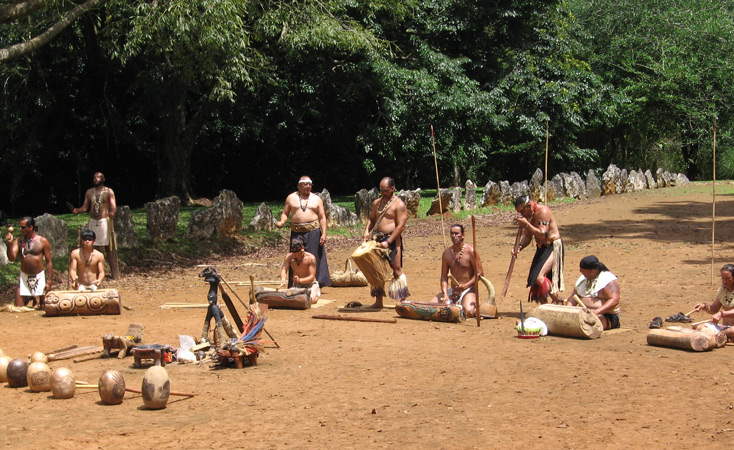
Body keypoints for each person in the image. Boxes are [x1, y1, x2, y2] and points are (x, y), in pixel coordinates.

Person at [275, 176, 331, 287]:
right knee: (295, 255)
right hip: (296, 232)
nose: (308, 186)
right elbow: (285, 213)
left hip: (313, 231)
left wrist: (324, 234)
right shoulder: (291, 198)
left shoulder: (317, 199)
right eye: (305, 184)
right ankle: (295, 282)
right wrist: (282, 222)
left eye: (310, 184)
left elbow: (322, 217)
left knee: (313, 256)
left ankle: (314, 282)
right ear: (299, 185)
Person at [362, 177, 409, 308]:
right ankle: (378, 301)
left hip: (392, 240)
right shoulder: (376, 203)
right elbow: (372, 219)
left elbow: (400, 226)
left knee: (397, 270)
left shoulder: (399, 205)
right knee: (376, 270)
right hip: (377, 239)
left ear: (393, 188)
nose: (383, 193)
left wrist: (389, 241)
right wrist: (366, 231)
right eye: (381, 190)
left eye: (386, 190)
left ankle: (402, 301)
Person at [511, 195, 564, 304]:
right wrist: (520, 246)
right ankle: (545, 307)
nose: (522, 214)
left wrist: (527, 224)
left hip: (553, 246)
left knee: (539, 277)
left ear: (528, 206)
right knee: (534, 280)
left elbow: (543, 234)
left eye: (522, 211)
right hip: (541, 248)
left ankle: (559, 300)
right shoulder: (529, 216)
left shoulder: (543, 212)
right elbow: (528, 236)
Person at [426, 224, 484, 318]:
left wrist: (466, 285)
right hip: (453, 290)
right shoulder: (447, 253)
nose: (454, 236)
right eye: (452, 234)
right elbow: (444, 276)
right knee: (430, 307)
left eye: (457, 233)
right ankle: (455, 304)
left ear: (463, 235)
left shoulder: (471, 251)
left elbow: (480, 273)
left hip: (469, 289)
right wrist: (445, 294)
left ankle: (472, 304)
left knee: (468, 312)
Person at [71, 172, 120, 279]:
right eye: (94, 177)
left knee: (109, 248)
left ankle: (115, 275)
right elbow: (85, 207)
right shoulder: (89, 192)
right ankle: (95, 274)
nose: (95, 179)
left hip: (104, 222)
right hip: (93, 222)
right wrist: (77, 210)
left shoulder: (109, 191)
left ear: (103, 179)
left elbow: (113, 205)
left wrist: (112, 212)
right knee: (94, 247)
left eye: (98, 177)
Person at [5, 217, 53, 308]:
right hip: (24, 277)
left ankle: (36, 297)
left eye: (23, 227)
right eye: (20, 227)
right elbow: (11, 258)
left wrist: (49, 281)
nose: (20, 229)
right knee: (18, 307)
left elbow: (49, 262)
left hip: (39, 277)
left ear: (31, 227)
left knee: (45, 307)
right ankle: (30, 296)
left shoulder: (43, 241)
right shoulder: (19, 241)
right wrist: (9, 244)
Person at [565, 255, 620, 330]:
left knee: (586, 324)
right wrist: (568, 309)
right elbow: (573, 296)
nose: (580, 271)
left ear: (593, 270)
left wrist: (597, 311)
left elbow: (614, 300)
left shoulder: (608, 279)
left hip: (605, 316)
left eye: (583, 269)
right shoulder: (582, 279)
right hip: (583, 314)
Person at [691, 264, 734, 339]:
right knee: (698, 327)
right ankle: (719, 336)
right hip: (725, 328)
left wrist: (722, 314)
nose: (724, 281)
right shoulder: (723, 290)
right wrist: (704, 306)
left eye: (727, 279)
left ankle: (716, 336)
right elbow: (714, 309)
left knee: (732, 331)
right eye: (722, 278)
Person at [280, 238, 320, 304]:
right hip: (297, 285)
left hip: (310, 284)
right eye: (292, 252)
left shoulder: (311, 258)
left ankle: (314, 293)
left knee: (311, 299)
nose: (294, 254)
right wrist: (283, 278)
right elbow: (284, 269)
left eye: (296, 252)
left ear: (302, 248)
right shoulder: (289, 257)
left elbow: (312, 277)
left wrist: (300, 280)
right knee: (285, 297)